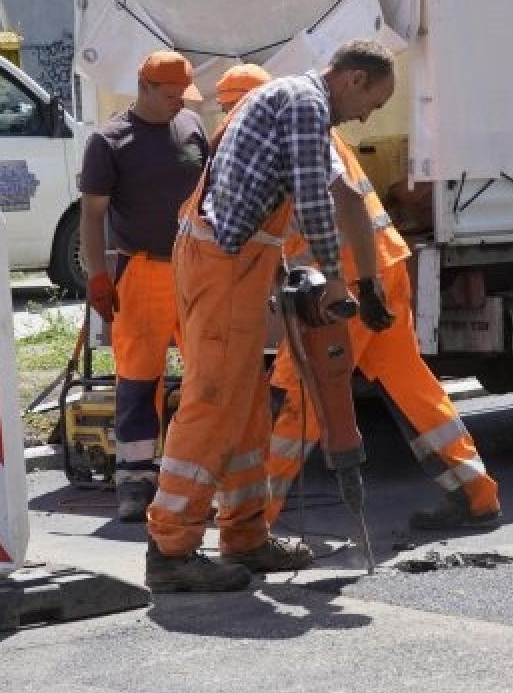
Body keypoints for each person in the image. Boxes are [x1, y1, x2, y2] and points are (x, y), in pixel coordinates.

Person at [145, 39, 397, 593]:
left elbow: (345, 196)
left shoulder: (302, 105)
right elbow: (313, 200)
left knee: (247, 407)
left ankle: (244, 535)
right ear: (354, 79)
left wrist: (369, 282)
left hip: (240, 259)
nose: (366, 117)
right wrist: (336, 279)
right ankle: (169, 550)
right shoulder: (304, 104)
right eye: (372, 104)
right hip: (223, 261)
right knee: (214, 400)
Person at [257, 93, 504, 532]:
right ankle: (475, 493)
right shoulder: (315, 134)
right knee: (409, 385)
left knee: (302, 390)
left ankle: (253, 520)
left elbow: (330, 209)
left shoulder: (287, 139)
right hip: (378, 269)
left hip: (347, 281)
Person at [78, 50, 210, 522]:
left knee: (207, 375)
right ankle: (135, 481)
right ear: (145, 88)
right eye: (171, 94)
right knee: (137, 377)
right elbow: (91, 216)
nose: (180, 102)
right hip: (143, 273)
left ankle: (198, 478)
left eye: (183, 94)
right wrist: (97, 274)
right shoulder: (109, 141)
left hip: (197, 269)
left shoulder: (192, 126)